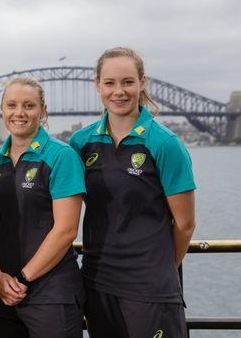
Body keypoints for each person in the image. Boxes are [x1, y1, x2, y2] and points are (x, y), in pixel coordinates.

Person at [69, 47, 196, 338]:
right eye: (110, 83)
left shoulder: (165, 144)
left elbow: (186, 224)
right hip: (98, 282)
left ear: (142, 82)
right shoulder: (80, 143)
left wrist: (157, 270)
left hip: (149, 287)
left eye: (127, 82)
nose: (119, 91)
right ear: (97, 85)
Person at [0, 77, 85, 337]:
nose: (19, 113)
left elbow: (66, 230)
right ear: (3, 110)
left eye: (29, 106)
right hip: (3, 292)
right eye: (12, 105)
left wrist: (23, 279)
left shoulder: (61, 157)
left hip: (51, 292)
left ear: (43, 111)